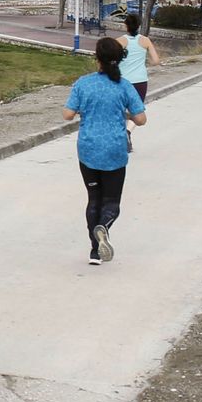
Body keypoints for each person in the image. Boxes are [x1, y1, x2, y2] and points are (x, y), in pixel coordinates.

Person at [62, 37, 146, 265]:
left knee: (93, 199)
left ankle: (94, 251)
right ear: (119, 60)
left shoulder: (83, 84)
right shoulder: (125, 86)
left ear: (96, 58)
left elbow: (67, 114)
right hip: (114, 151)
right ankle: (104, 227)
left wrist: (84, 111)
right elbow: (141, 119)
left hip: (88, 150)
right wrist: (122, 112)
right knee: (111, 202)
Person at [118, 14, 159, 151]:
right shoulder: (145, 41)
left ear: (125, 25)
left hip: (122, 80)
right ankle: (128, 132)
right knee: (137, 109)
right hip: (140, 80)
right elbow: (156, 61)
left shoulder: (119, 41)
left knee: (121, 109)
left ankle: (119, 135)